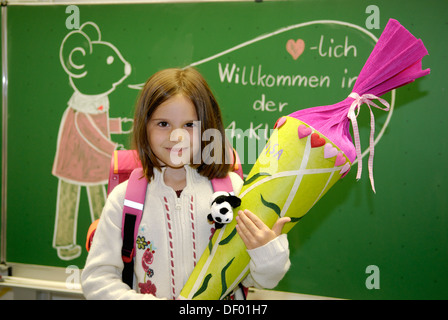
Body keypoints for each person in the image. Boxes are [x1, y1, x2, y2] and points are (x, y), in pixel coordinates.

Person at [81, 67, 291, 300]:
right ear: (144, 127)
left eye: (190, 125)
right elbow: (97, 281)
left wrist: (267, 253)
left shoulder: (233, 190)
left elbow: (260, 279)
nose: (176, 136)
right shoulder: (125, 199)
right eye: (163, 124)